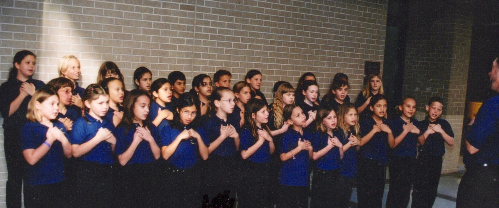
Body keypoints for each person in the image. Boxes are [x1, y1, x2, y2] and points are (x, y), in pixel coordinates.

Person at [0, 50, 45, 208]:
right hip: (14, 136)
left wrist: (34, 94)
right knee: (15, 178)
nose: (31, 66)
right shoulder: (7, 87)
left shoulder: (39, 85)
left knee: (32, 177)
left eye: (33, 63)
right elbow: (7, 112)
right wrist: (22, 95)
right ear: (17, 65)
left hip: (34, 137)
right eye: (27, 62)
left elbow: (46, 110)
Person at [457, 57, 499, 208]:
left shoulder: (493, 105)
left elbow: (472, 147)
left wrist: (471, 125)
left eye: (493, 68)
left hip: (482, 180)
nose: (489, 73)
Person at [21, 87, 72, 208]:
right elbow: (31, 159)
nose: (56, 108)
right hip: (37, 185)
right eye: (52, 104)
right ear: (38, 105)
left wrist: (62, 138)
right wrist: (49, 140)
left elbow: (69, 154)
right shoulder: (29, 127)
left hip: (58, 182)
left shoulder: (59, 125)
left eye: (57, 104)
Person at [70, 84, 116, 208]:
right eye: (100, 103)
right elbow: (75, 152)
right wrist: (97, 139)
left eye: (107, 102)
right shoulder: (82, 123)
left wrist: (113, 142)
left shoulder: (108, 122)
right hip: (87, 172)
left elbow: (112, 151)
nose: (105, 107)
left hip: (106, 170)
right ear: (88, 104)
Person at [160, 93, 209, 207]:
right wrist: (179, 138)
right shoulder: (169, 128)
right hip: (173, 175)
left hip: (193, 175)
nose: (189, 116)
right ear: (178, 110)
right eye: (186, 112)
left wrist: (198, 137)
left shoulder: (199, 128)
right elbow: (165, 155)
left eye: (193, 113)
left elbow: (205, 156)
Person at [114, 89, 161, 208]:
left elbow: (157, 156)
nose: (147, 110)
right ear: (132, 106)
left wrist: (150, 139)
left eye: (148, 106)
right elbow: (122, 161)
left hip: (150, 174)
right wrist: (135, 141)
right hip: (130, 177)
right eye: (142, 106)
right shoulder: (123, 129)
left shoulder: (151, 128)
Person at [412, 97, 454, 208]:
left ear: (441, 111)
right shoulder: (420, 124)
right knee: (419, 190)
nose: (435, 111)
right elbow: (416, 143)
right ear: (427, 108)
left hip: (436, 161)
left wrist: (441, 131)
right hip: (422, 160)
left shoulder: (444, 124)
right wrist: (427, 132)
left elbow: (451, 141)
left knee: (432, 190)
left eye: (439, 110)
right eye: (433, 108)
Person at [202, 87, 241, 199]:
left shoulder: (233, 119)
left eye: (234, 100)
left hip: (231, 164)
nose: (232, 103)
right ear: (217, 103)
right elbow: (205, 151)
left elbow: (238, 149)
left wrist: (236, 137)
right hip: (214, 166)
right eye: (228, 100)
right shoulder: (208, 121)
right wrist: (222, 136)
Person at [357, 94, 394, 208]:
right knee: (365, 195)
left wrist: (389, 132)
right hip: (367, 163)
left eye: (384, 106)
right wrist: (374, 131)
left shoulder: (387, 123)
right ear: (371, 108)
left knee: (377, 196)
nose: (382, 109)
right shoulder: (366, 121)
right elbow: (360, 142)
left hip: (380, 163)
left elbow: (392, 145)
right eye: (378, 106)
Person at [239, 98, 274, 207]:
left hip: (265, 168)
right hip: (252, 171)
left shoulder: (265, 129)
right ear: (253, 115)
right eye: (263, 112)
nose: (267, 114)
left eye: (267, 111)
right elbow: (244, 155)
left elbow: (271, 151)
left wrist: (270, 139)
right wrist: (260, 141)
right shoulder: (246, 130)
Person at [386, 96, 421, 208]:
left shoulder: (415, 122)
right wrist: (405, 131)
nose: (411, 109)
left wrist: (418, 132)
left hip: (410, 160)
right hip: (397, 160)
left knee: (406, 191)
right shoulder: (395, 122)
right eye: (408, 106)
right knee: (395, 190)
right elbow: (393, 144)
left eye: (414, 107)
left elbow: (422, 141)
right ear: (401, 107)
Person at [278, 104, 313, 208]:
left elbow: (310, 157)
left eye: (302, 113)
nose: (302, 116)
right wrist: (299, 148)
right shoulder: (287, 135)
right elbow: (283, 157)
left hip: (302, 180)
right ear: (290, 120)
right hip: (289, 180)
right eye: (297, 115)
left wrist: (310, 149)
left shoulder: (308, 133)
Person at [310, 107, 343, 208]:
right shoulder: (318, 134)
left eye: (334, 117)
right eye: (329, 118)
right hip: (322, 174)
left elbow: (340, 157)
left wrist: (340, 145)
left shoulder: (337, 133)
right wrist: (329, 146)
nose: (333, 120)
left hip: (335, 172)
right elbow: (314, 156)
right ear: (322, 121)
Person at [335, 103, 361, 207]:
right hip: (341, 170)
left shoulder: (353, 130)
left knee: (346, 198)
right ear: (342, 116)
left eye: (355, 115)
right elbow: (338, 151)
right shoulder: (339, 131)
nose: (354, 117)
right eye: (350, 115)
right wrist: (349, 143)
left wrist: (358, 143)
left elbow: (356, 149)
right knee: (339, 200)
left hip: (351, 169)